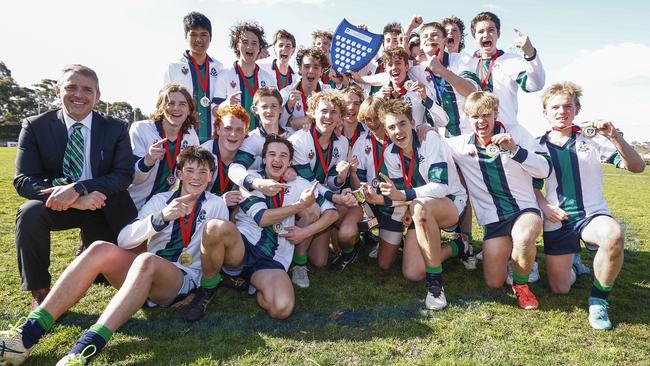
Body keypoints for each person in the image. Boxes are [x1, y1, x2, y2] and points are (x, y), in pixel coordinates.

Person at [1, 146, 228, 366]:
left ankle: (84, 349)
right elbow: (125, 240)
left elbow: (218, 249)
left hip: (180, 280)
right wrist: (160, 218)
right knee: (100, 248)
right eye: (189, 170)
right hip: (144, 274)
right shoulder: (161, 201)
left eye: (203, 172)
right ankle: (27, 335)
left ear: (210, 177)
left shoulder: (217, 205)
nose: (196, 177)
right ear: (179, 174)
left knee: (146, 260)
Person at [13, 64, 136, 308]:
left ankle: (88, 248)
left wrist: (80, 188)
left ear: (97, 96)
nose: (79, 95)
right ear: (58, 91)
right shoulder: (35, 126)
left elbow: (123, 174)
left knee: (103, 275)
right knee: (28, 214)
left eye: (87, 89)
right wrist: (72, 199)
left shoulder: (116, 127)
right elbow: (24, 179)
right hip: (59, 203)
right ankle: (40, 292)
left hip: (101, 202)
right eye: (71, 87)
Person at [182, 136, 339, 321]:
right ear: (264, 159)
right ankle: (207, 289)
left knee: (282, 308)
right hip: (243, 247)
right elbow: (262, 219)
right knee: (215, 227)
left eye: (283, 156)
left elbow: (332, 213)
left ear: (290, 162)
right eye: (271, 154)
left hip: (272, 259)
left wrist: (305, 232)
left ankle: (249, 284)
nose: (277, 159)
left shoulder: (300, 184)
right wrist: (298, 206)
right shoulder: (253, 180)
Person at [533, 82, 645, 329]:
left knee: (613, 235)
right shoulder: (536, 145)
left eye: (567, 106)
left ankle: (598, 300)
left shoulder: (592, 139)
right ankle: (574, 261)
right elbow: (530, 186)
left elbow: (638, 167)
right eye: (555, 107)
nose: (561, 111)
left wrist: (614, 136)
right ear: (545, 112)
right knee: (560, 288)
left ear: (577, 109)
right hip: (557, 219)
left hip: (592, 215)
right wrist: (545, 206)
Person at [446, 91, 551, 310]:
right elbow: (433, 140)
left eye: (486, 115)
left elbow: (544, 169)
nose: (481, 121)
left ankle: (522, 286)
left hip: (523, 209)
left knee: (523, 238)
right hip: (494, 219)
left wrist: (515, 150)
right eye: (475, 116)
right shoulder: (460, 145)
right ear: (467, 117)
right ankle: (516, 257)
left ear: (495, 114)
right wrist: (425, 128)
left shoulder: (516, 133)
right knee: (493, 283)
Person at [362, 99, 467, 310]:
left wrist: (402, 195)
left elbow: (440, 186)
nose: (397, 131)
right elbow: (400, 195)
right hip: (418, 207)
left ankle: (435, 286)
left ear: (412, 122)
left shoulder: (430, 139)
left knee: (420, 206)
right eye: (391, 127)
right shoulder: (390, 153)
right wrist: (379, 199)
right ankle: (460, 245)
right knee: (412, 272)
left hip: (451, 202)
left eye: (402, 124)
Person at [287, 90, 357, 287]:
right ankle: (299, 265)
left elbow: (331, 181)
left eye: (334, 112)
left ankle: (299, 245)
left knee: (319, 261)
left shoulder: (342, 142)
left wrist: (341, 177)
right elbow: (309, 182)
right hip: (300, 195)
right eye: (324, 111)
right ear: (312, 113)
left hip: (322, 194)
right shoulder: (299, 140)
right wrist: (335, 199)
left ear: (340, 116)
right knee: (317, 210)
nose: (328, 117)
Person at [466, 11, 545, 129]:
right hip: (477, 134)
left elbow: (535, 85)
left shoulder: (512, 61)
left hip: (507, 131)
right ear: (475, 37)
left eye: (491, 30)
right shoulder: (469, 64)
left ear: (498, 34)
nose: (486, 34)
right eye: (481, 32)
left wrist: (530, 53)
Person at [128, 83, 200, 210]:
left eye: (182, 104)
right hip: (132, 204)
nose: (176, 108)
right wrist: (147, 160)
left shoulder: (190, 135)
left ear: (189, 109)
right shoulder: (141, 129)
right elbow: (132, 178)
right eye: (170, 103)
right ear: (161, 107)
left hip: (163, 206)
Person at [164, 12, 224, 143]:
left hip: (214, 138)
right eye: (193, 34)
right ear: (186, 37)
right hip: (184, 137)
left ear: (211, 37)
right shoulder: (174, 67)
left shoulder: (220, 68)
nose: (199, 39)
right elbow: (164, 105)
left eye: (204, 35)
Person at [215, 21, 277, 131]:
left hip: (260, 140)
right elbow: (214, 109)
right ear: (237, 45)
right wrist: (225, 105)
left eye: (254, 43)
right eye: (245, 42)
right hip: (233, 138)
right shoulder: (224, 75)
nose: (249, 46)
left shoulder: (268, 79)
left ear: (260, 48)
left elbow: (275, 111)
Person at [229, 87, 293, 191]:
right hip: (259, 193)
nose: (269, 111)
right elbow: (235, 169)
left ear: (281, 109)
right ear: (255, 110)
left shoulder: (292, 135)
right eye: (264, 106)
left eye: (274, 106)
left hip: (288, 192)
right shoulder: (252, 139)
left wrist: (293, 169)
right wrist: (257, 183)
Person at [375, 47, 449, 129]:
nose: (394, 67)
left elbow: (443, 121)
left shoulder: (419, 90)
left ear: (406, 67)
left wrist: (426, 99)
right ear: (385, 70)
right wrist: (381, 103)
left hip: (416, 140)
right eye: (390, 65)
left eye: (398, 63)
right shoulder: (380, 95)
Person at [200, 104, 249, 208]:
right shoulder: (202, 154)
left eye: (239, 130)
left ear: (245, 132)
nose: (233, 134)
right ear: (218, 130)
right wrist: (220, 200)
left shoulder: (249, 154)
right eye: (228, 128)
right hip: (203, 214)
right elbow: (190, 194)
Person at [280, 47, 331, 130]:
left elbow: (333, 121)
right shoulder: (286, 93)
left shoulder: (328, 93)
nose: (311, 71)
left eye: (316, 67)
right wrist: (289, 105)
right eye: (307, 66)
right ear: (300, 69)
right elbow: (281, 124)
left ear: (322, 71)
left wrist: (294, 122)